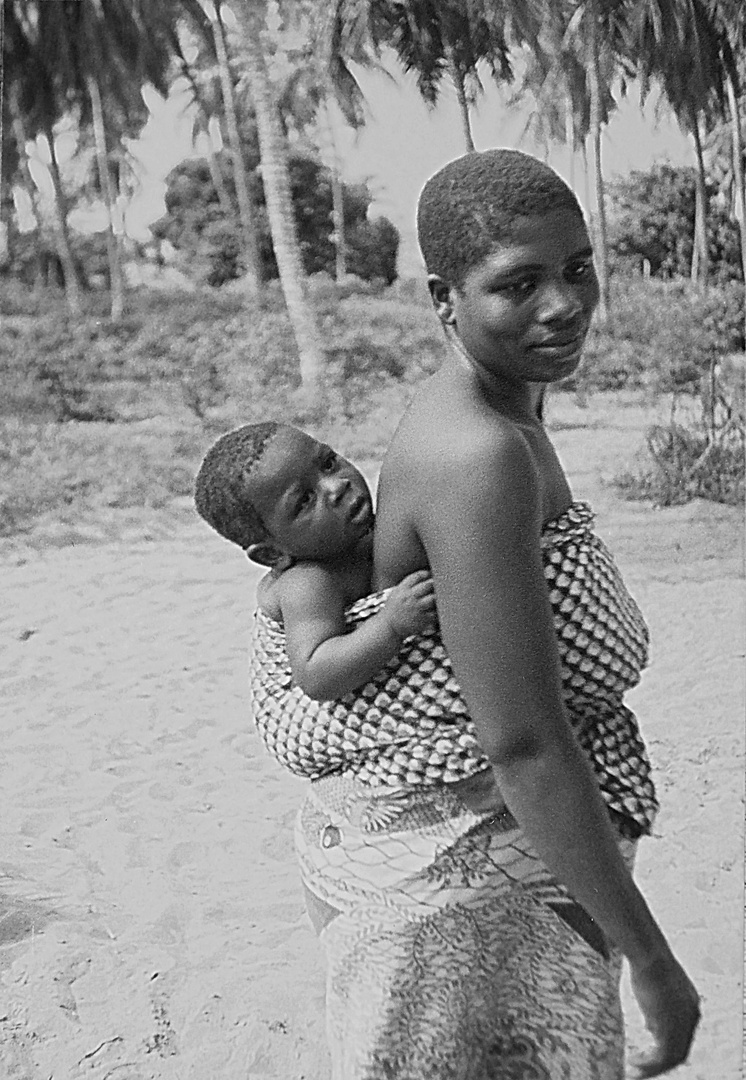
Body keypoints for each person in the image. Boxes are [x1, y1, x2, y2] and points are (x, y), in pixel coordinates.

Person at [291, 149, 700, 1080]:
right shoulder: (475, 454)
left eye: (578, 268)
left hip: (492, 878)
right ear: (445, 298)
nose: (563, 304)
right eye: (518, 284)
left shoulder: (508, 413)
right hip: (460, 901)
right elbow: (521, 740)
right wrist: (654, 960)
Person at [193, 421, 437, 701]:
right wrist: (391, 624)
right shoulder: (307, 583)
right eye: (305, 500)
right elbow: (317, 676)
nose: (337, 487)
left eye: (329, 463)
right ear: (272, 554)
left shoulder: (360, 532)